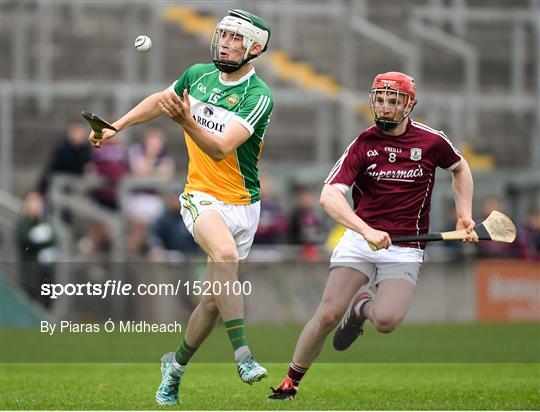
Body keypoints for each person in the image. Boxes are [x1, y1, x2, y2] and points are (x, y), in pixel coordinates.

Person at [88, 9, 273, 405]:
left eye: (235, 39)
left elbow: (222, 148)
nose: (224, 43)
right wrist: (116, 126)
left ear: (254, 48)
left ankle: (174, 368)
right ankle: (243, 356)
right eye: (222, 35)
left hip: (244, 204)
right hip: (199, 195)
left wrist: (187, 121)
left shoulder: (259, 97)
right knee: (223, 254)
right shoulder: (197, 75)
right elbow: (161, 101)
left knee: (210, 302)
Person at [268, 71, 478, 400]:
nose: (384, 107)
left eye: (393, 101)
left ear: (408, 105)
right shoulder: (364, 144)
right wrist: (366, 230)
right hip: (361, 238)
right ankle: (289, 384)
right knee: (327, 314)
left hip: (406, 245)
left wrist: (465, 214)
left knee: (386, 320)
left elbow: (460, 168)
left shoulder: (431, 142)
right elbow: (329, 196)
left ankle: (362, 308)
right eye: (380, 100)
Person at [16, 191, 57, 308]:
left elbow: (55, 239)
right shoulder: (23, 223)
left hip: (46, 273)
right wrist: (41, 239)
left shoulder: (45, 222)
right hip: (31, 273)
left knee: (47, 301)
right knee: (29, 301)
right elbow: (26, 240)